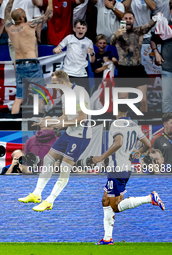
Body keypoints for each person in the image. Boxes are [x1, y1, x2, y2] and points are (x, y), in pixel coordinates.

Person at [18, 70, 92, 212]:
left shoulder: (80, 93)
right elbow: (65, 116)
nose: (53, 87)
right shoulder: (65, 95)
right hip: (70, 133)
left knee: (65, 168)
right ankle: (37, 194)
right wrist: (49, 122)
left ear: (63, 82)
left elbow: (83, 117)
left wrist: (60, 125)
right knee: (48, 158)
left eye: (55, 83)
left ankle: (50, 201)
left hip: (80, 136)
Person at [91, 104, 165, 245]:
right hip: (125, 168)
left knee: (115, 206)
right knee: (105, 201)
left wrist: (101, 157)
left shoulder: (116, 124)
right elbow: (148, 144)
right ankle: (107, 238)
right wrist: (139, 151)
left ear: (117, 111)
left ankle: (150, 198)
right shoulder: (134, 125)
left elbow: (118, 142)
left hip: (117, 168)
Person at [4, 0, 53, 114]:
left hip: (19, 65)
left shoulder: (9, 29)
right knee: (39, 96)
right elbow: (49, 14)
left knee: (19, 97)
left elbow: (6, 12)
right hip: (32, 65)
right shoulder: (30, 25)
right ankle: (39, 123)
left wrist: (11, 1)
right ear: (22, 17)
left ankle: (13, 124)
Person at [110, 11, 157, 113]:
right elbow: (112, 42)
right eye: (125, 18)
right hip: (124, 70)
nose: (128, 20)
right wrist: (117, 34)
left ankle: (144, 125)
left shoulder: (139, 31)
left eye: (130, 18)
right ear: (122, 20)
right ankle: (122, 124)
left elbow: (149, 25)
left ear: (134, 20)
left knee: (143, 100)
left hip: (137, 70)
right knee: (123, 101)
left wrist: (157, 17)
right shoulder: (117, 33)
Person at [53, 19, 95, 95]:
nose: (80, 30)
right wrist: (56, 50)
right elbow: (56, 48)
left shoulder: (89, 42)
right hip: (67, 73)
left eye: (83, 28)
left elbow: (92, 61)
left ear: (86, 30)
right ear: (74, 29)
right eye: (78, 28)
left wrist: (91, 54)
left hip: (81, 73)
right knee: (65, 97)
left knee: (83, 98)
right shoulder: (69, 38)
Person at [150, 4, 172, 113]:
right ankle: (168, 125)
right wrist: (156, 52)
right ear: (171, 11)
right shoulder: (165, 25)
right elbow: (153, 40)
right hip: (168, 68)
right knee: (167, 98)